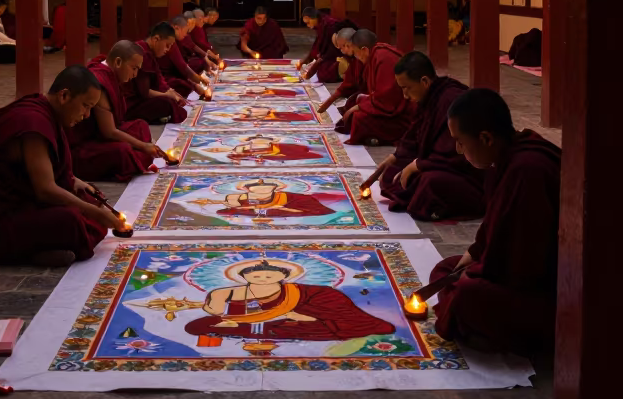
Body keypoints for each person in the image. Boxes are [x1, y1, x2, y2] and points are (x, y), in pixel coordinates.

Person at [430, 88, 561, 354]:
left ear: (487, 138)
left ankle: (489, 327)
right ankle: (469, 317)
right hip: (512, 272)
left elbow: (524, 264)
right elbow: (496, 225)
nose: (456, 149)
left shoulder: (527, 171)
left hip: (552, 293)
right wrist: (475, 253)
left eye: (460, 142)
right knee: (446, 270)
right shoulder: (510, 155)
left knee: (467, 294)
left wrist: (478, 271)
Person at [0, 64, 127, 266]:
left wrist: (75, 181)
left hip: (22, 204)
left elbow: (36, 170)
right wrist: (94, 213)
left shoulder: (46, 112)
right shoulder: (32, 122)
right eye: (86, 106)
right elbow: (45, 191)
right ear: (64, 96)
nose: (87, 116)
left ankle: (41, 245)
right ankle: (25, 253)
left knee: (90, 198)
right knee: (72, 221)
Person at [376, 52, 485, 219]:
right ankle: (421, 197)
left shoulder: (452, 99)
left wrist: (417, 165)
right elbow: (415, 132)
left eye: (407, 88)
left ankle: (437, 204)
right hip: (435, 162)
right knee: (390, 174)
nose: (404, 95)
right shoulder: (429, 97)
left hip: (466, 173)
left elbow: (457, 152)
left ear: (425, 81)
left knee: (429, 182)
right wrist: (395, 157)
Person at [184, 260, 395, 345]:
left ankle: (255, 329)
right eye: (256, 276)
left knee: (319, 314)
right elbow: (214, 310)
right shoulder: (231, 291)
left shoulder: (300, 291)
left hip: (315, 306)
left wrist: (298, 314)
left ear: (282, 276)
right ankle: (252, 329)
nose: (263, 278)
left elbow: (318, 301)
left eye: (270, 275)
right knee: (198, 325)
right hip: (267, 320)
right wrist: (223, 313)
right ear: (245, 277)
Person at [68, 41, 166, 180]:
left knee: (140, 126)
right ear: (118, 62)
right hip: (85, 144)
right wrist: (143, 146)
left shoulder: (111, 76)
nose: (135, 74)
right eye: (134, 68)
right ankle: (133, 159)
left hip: (101, 134)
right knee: (123, 151)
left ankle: (136, 156)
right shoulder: (99, 80)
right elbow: (109, 132)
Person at [337, 30, 413, 146]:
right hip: (385, 102)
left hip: (403, 114)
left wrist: (359, 107)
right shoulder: (375, 55)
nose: (356, 56)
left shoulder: (384, 59)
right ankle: (373, 136)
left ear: (364, 50)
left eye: (356, 52)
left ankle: (382, 137)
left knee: (359, 118)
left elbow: (387, 99)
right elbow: (375, 91)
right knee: (353, 103)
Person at [124, 22, 189, 125]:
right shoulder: (142, 54)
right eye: (167, 46)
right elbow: (144, 93)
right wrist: (166, 95)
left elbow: (159, 78)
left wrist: (170, 92)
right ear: (156, 39)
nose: (167, 50)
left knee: (177, 89)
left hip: (141, 97)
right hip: (130, 103)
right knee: (167, 104)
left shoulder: (149, 52)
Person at [157, 16, 210, 97]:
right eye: (185, 31)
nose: (186, 34)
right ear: (176, 28)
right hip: (164, 78)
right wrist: (199, 81)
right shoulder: (168, 40)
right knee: (183, 85)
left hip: (170, 74)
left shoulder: (174, 40)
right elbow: (182, 66)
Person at [319, 28, 360, 116]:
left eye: (341, 47)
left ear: (348, 45)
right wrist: (331, 100)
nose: (341, 51)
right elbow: (349, 82)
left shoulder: (364, 56)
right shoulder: (356, 58)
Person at [300, 7, 342, 82]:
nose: (308, 26)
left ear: (308, 17)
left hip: (338, 54)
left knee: (323, 73)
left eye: (308, 23)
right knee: (318, 68)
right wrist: (307, 60)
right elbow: (318, 45)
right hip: (329, 54)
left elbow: (332, 49)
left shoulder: (330, 25)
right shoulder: (321, 24)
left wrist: (319, 61)